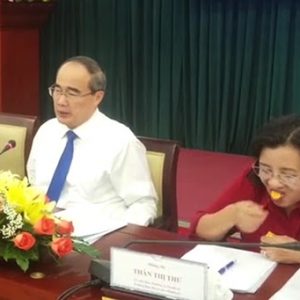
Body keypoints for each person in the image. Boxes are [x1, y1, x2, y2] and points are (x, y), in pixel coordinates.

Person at [27, 56, 158, 226]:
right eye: (57, 90)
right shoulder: (47, 131)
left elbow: (143, 205)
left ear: (97, 97)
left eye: (72, 93)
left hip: (91, 240)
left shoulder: (120, 141)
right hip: (41, 231)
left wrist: (114, 241)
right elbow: (34, 183)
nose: (61, 101)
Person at [189, 114, 300, 264]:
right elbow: (199, 230)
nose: (273, 183)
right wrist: (231, 215)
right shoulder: (254, 180)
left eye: (288, 175)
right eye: (266, 170)